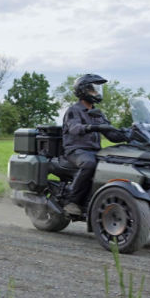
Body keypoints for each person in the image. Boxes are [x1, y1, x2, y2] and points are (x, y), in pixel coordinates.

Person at [60, 73, 129, 216]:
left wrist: (129, 134)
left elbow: (111, 135)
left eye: (98, 89)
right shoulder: (74, 110)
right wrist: (93, 127)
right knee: (89, 164)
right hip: (76, 150)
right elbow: (74, 129)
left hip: (95, 150)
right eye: (93, 89)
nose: (97, 92)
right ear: (83, 90)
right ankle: (71, 201)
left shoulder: (98, 113)